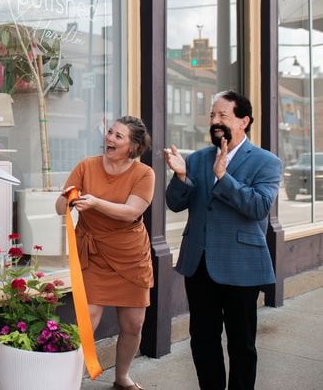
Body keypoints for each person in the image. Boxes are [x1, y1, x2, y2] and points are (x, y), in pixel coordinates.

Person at [164, 91, 281, 390]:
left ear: (244, 121)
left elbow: (258, 207)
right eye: (212, 116)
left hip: (242, 266)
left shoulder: (267, 162)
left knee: (242, 345)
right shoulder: (198, 158)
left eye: (222, 116)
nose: (215, 122)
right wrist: (179, 177)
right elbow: (175, 204)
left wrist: (224, 177)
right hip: (199, 263)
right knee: (202, 340)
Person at [55, 116, 155, 390]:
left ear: (132, 147)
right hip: (94, 253)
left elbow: (132, 212)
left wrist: (96, 202)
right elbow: (58, 207)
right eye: (110, 132)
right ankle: (69, 380)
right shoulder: (86, 166)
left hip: (130, 255)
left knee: (134, 324)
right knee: (87, 319)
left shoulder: (144, 174)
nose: (110, 138)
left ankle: (122, 377)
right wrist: (68, 198)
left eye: (118, 136)